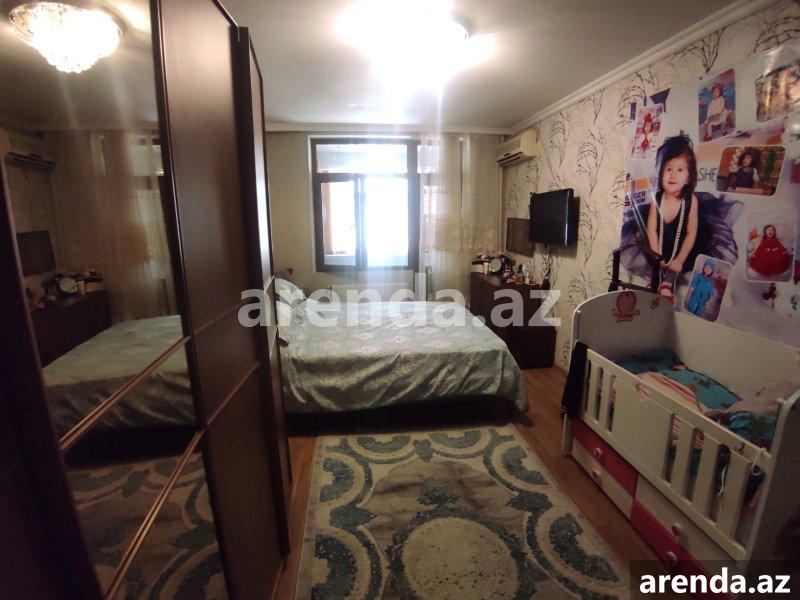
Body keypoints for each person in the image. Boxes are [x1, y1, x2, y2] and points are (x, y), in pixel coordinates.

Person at [646, 135, 699, 299]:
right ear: (661, 173)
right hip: (658, 246)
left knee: (675, 271)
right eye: (668, 169)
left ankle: (669, 281)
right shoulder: (657, 199)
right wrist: (656, 256)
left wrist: (680, 260)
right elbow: (652, 229)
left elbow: (691, 232)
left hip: (681, 249)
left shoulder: (691, 201)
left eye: (680, 170)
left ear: (688, 177)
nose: (673, 175)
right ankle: (654, 277)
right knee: (652, 270)